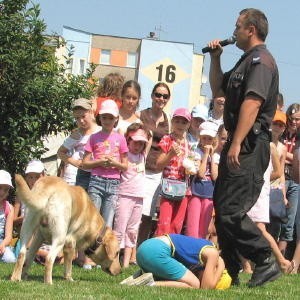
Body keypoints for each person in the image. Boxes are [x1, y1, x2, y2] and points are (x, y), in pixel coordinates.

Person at [208, 8, 280, 287]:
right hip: (239, 144)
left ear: (251, 30)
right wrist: (216, 60)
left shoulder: (262, 62)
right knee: (222, 205)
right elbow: (219, 91)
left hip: (250, 145)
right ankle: (230, 268)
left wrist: (236, 142)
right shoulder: (244, 61)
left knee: (231, 210)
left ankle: (264, 259)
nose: (234, 31)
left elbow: (253, 103)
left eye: (238, 26)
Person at [121, 234, 231, 290]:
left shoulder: (204, 250)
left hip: (146, 248)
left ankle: (136, 278)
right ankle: (149, 284)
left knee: (180, 279)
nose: (205, 278)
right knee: (195, 284)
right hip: (157, 251)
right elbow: (206, 288)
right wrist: (221, 266)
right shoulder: (213, 253)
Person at [82, 99, 128, 227]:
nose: (107, 121)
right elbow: (84, 163)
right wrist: (99, 162)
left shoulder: (121, 138)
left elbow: (125, 166)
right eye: (104, 117)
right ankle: (89, 247)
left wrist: (114, 163)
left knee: (107, 224)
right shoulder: (93, 137)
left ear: (116, 119)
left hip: (113, 184)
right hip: (96, 181)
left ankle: (103, 246)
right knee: (92, 221)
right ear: (99, 118)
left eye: (110, 118)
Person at [136, 82, 171, 244]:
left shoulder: (168, 121)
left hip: (156, 171)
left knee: (148, 213)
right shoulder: (141, 115)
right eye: (158, 94)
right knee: (134, 209)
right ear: (152, 96)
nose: (161, 98)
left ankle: (139, 248)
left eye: (165, 96)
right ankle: (126, 249)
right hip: (139, 167)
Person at [113, 124, 151, 268]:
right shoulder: (124, 155)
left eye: (141, 143)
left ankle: (126, 262)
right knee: (119, 228)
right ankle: (114, 260)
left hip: (139, 196)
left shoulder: (142, 156)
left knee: (133, 230)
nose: (138, 146)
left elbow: (151, 135)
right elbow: (120, 133)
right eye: (135, 141)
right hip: (124, 195)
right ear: (128, 140)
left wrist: (144, 133)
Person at [155, 108, 191, 236]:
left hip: (183, 188)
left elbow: (190, 168)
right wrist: (171, 154)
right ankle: (158, 252)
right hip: (168, 186)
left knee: (177, 225)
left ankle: (170, 251)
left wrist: (191, 168)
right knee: (164, 223)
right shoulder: (167, 139)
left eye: (184, 122)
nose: (180, 125)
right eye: (177, 121)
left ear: (188, 125)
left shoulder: (188, 145)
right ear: (172, 122)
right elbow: (158, 164)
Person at [57, 98, 100, 190]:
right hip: (83, 175)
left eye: (83, 116)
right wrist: (75, 162)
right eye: (77, 118)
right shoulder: (77, 134)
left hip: (99, 174)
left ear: (91, 112)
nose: (81, 121)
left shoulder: (101, 131)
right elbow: (60, 152)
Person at [185, 121, 218, 238]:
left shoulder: (216, 156)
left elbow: (215, 176)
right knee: (192, 225)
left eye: (209, 139)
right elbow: (201, 173)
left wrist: (212, 156)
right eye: (204, 138)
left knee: (204, 227)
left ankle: (199, 250)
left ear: (214, 140)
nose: (206, 141)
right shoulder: (196, 152)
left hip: (209, 194)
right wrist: (205, 155)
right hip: (196, 192)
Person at [278, 103, 300, 255]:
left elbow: (282, 154)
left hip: (295, 181)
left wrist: (285, 155)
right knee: (275, 219)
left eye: (297, 119)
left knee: (289, 222)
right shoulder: (280, 132)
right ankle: (270, 259)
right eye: (291, 118)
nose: (294, 122)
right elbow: (275, 154)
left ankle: (282, 260)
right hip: (279, 179)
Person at [0, 170, 16, 263]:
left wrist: (2, 245)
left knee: (10, 259)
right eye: (0, 188)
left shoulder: (9, 208)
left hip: (1, 241)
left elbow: (8, 236)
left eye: (5, 190)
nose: (2, 192)